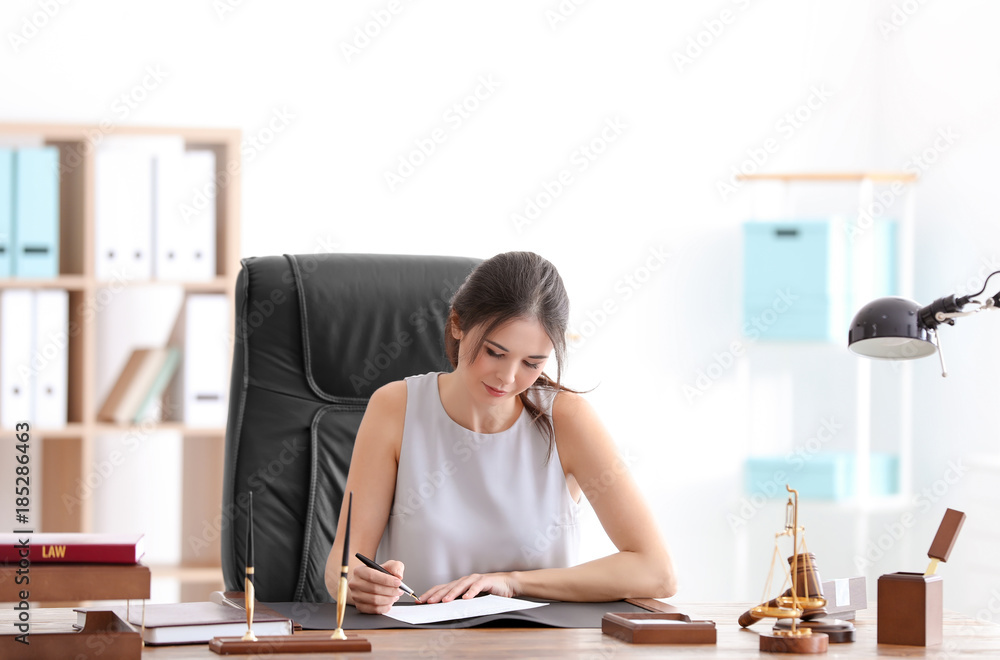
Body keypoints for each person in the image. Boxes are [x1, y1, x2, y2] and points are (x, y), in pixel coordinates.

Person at [324, 251, 676, 613]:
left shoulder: (569, 420)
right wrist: (359, 585)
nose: (507, 378)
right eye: (495, 352)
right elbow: (341, 565)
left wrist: (511, 582)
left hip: (536, 647)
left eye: (532, 363)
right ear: (458, 324)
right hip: (421, 646)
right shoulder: (395, 407)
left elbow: (657, 571)